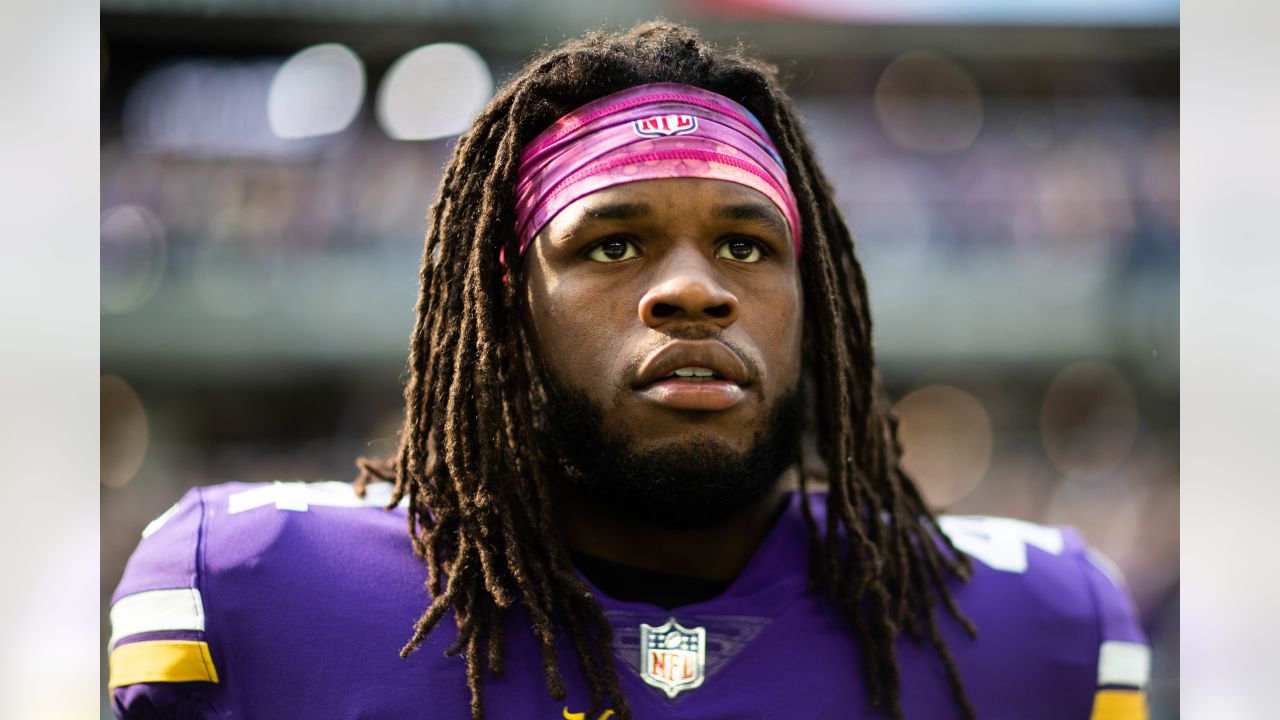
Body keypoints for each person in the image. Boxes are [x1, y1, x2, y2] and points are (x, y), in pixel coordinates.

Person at [107, 21, 1150, 720]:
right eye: (610, 244)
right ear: (507, 309)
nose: (693, 291)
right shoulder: (254, 592)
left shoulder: (1030, 628)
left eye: (746, 245)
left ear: (815, 306)